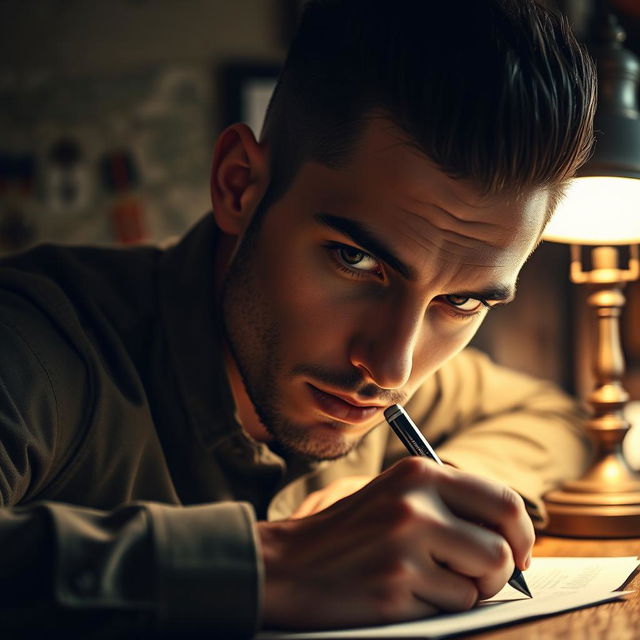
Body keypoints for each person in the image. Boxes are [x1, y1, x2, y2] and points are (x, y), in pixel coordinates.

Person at [0, 0, 596, 637]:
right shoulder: (34, 340)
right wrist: (280, 562)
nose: (391, 368)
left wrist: (412, 504)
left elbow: (550, 415)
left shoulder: (389, 365)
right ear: (238, 185)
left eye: (463, 301)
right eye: (355, 259)